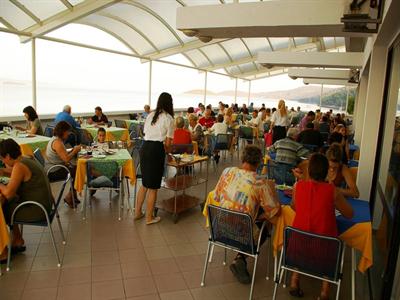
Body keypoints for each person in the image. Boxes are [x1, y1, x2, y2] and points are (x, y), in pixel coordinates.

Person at [212, 145, 280, 284]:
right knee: (267, 222)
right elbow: (274, 210)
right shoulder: (260, 180)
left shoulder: (227, 172)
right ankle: (241, 257)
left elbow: (217, 197)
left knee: (251, 214)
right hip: (243, 234)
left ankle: (240, 258)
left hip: (219, 228)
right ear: (259, 162)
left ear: (242, 158)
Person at [289, 153, 353, 299]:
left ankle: (294, 280)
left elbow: (294, 206)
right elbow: (349, 214)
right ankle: (324, 292)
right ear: (326, 172)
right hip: (323, 249)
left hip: (298, 246)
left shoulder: (298, 186)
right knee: (328, 244)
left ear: (309, 170)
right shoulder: (332, 191)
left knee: (302, 235)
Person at [0, 139, 54, 262]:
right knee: (10, 203)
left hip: (37, 210)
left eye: (2, 159)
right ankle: (17, 240)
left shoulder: (19, 166)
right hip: (45, 205)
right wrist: (3, 171)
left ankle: (2, 253)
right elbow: (15, 173)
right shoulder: (27, 158)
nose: (2, 162)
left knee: (2, 209)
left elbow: (8, 194)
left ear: (8, 156)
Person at [135, 92, 174, 225]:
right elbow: (168, 144)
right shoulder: (169, 118)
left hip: (144, 148)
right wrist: (168, 151)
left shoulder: (151, 114)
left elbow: (146, 133)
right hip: (156, 150)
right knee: (153, 187)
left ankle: (138, 212)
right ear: (170, 103)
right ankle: (149, 218)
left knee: (145, 184)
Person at [45, 121, 81, 208]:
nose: (68, 134)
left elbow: (61, 153)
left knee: (75, 169)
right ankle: (70, 196)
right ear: (63, 131)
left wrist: (71, 150)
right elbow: (66, 159)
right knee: (77, 171)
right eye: (68, 131)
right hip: (53, 171)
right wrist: (75, 151)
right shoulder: (57, 143)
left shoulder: (54, 139)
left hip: (52, 166)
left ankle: (72, 195)